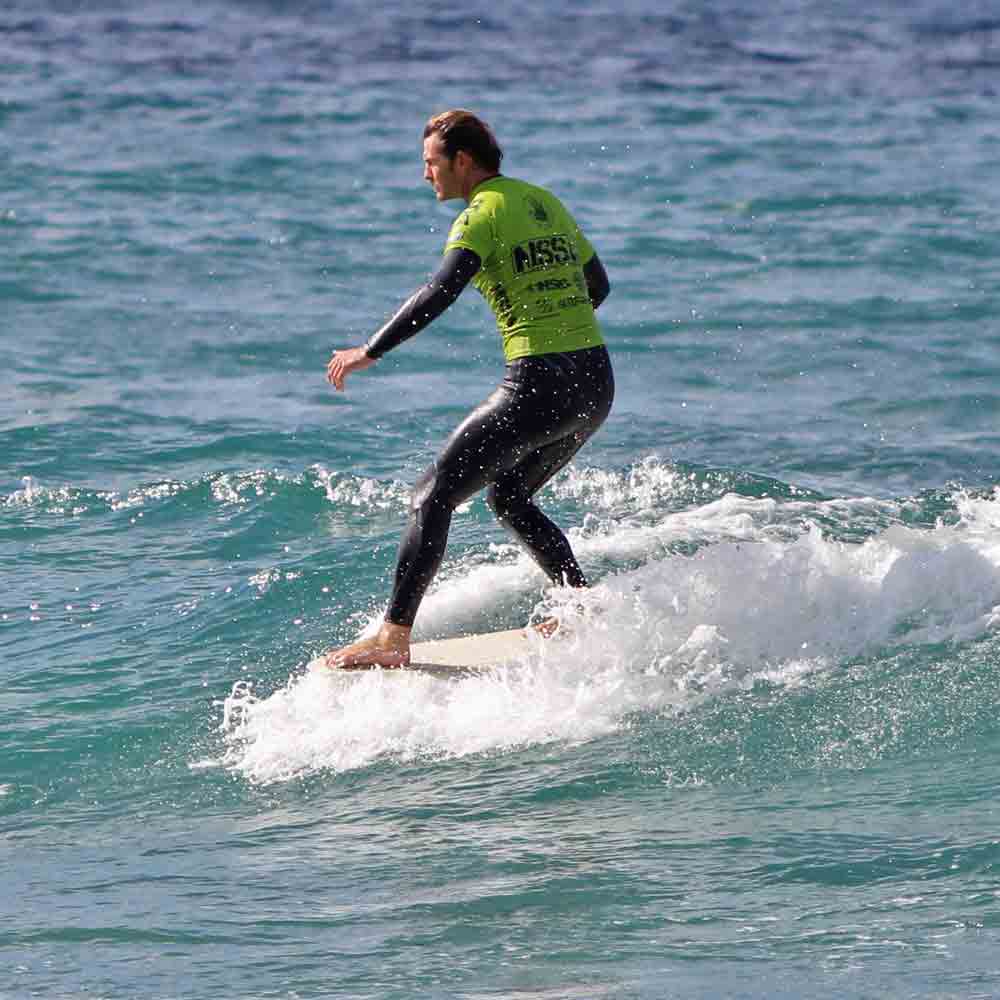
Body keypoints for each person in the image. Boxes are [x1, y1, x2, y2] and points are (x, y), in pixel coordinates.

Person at [324, 109, 614, 668]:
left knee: (431, 497)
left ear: (462, 161)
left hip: (540, 383)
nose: (425, 175)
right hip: (595, 383)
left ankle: (392, 639)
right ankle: (580, 604)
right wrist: (550, 313)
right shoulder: (541, 201)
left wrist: (369, 351)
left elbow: (439, 290)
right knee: (508, 496)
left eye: (431, 163)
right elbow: (596, 285)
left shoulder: (479, 218)